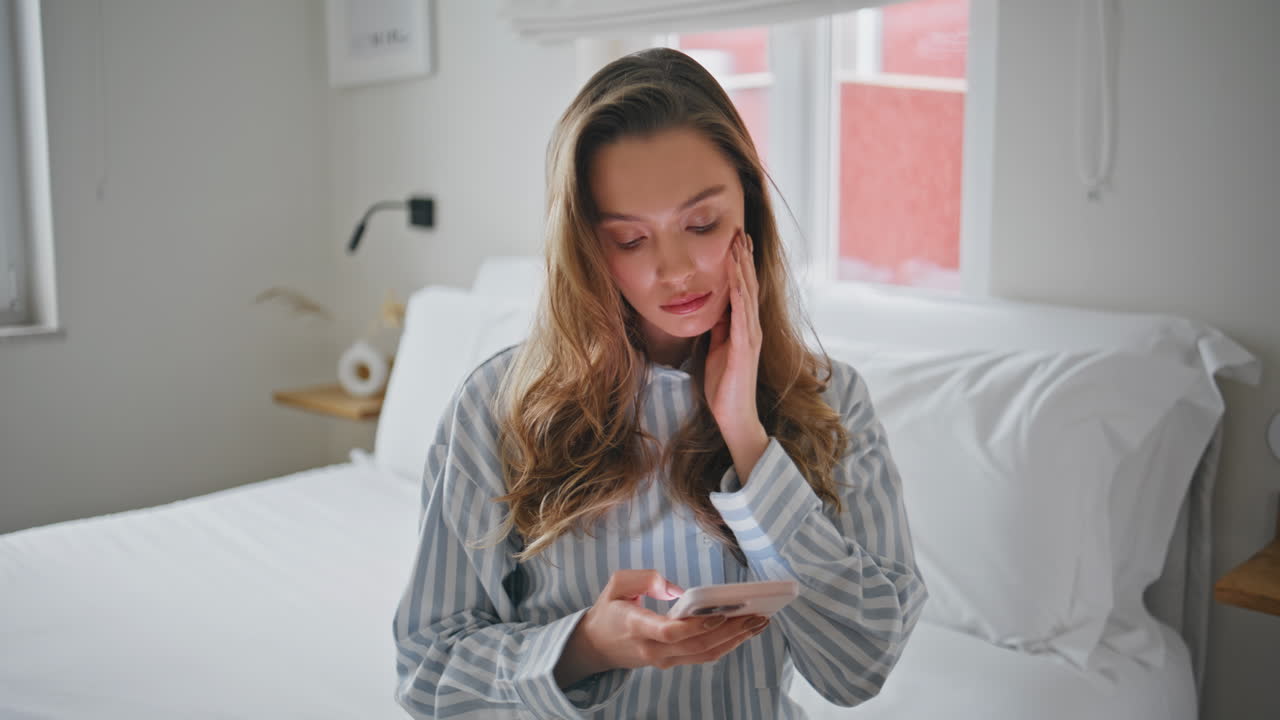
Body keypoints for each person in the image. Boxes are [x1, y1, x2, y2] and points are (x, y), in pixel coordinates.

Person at [391, 47, 928, 719]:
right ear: (586, 246)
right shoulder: (497, 408)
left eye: (700, 225)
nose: (674, 271)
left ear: (749, 211)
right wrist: (585, 646)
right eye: (629, 240)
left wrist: (749, 441)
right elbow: (427, 671)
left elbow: (862, 666)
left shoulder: (831, 401)